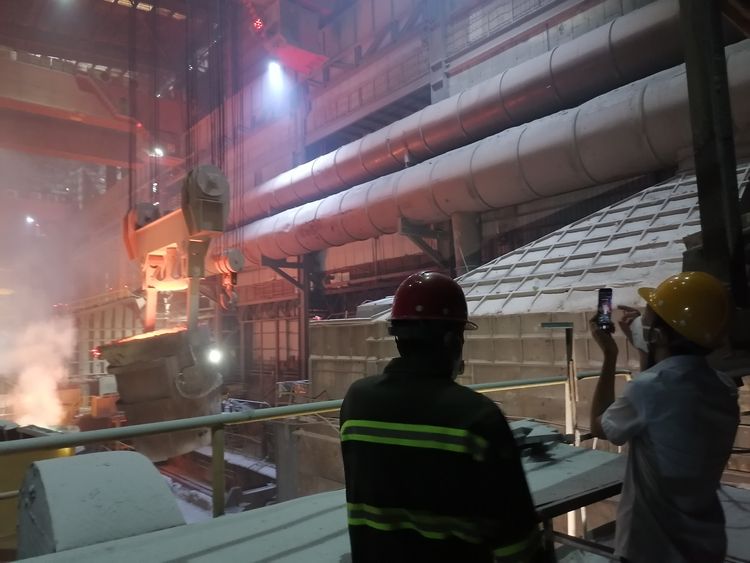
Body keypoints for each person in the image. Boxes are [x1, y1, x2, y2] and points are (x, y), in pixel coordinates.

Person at [340, 271, 546, 563]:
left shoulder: (356, 402)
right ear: (452, 340)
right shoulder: (477, 417)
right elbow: (519, 549)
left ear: (399, 338)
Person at [588, 272, 739, 562]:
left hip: (651, 548)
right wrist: (646, 351)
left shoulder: (649, 390)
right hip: (705, 545)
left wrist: (609, 355)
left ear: (658, 336)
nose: (642, 324)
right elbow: (662, 395)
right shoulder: (723, 387)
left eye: (647, 321)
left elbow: (599, 425)